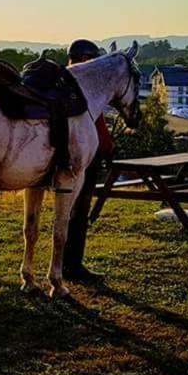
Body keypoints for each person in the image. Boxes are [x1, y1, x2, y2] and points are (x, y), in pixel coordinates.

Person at [63, 39, 114, 283]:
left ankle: (67, 264)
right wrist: (108, 148)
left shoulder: (64, 83)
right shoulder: (82, 88)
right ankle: (72, 266)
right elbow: (97, 126)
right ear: (85, 60)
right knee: (78, 213)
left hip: (76, 156)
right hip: (83, 157)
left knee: (73, 214)